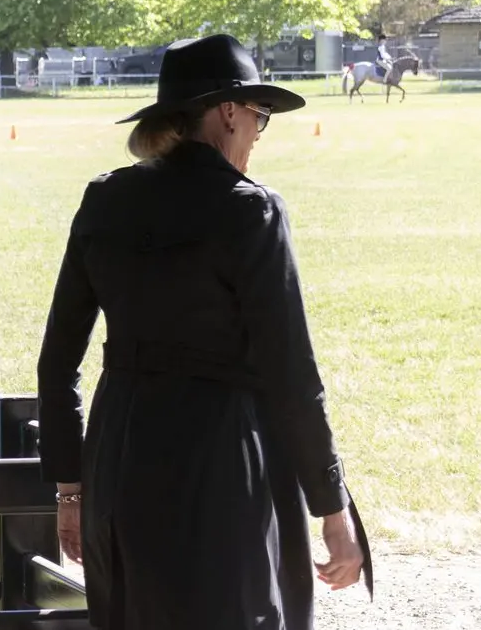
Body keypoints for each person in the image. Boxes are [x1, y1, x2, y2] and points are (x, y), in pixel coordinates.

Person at [38, 34, 370, 630]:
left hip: (118, 462)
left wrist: (70, 490)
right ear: (228, 112)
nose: (258, 134)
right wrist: (333, 507)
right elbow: (292, 374)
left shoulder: (105, 199)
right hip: (220, 464)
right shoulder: (250, 210)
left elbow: (57, 362)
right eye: (259, 116)